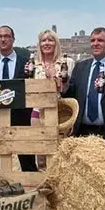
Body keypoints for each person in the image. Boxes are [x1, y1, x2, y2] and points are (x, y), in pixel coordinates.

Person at [0, 25, 37, 172]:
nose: (3, 39)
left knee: (27, 161)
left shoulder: (26, 62)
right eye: (0, 37)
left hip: (21, 118)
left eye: (6, 36)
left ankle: (31, 190)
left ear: (13, 39)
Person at [63, 27, 105, 153]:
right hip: (82, 131)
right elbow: (71, 95)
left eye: (100, 40)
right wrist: (63, 86)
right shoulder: (80, 67)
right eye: (93, 40)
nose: (95, 44)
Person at [30, 29, 76, 169]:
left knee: (60, 152)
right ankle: (44, 186)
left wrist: (52, 78)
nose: (47, 43)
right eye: (43, 40)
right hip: (38, 111)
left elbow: (69, 89)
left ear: (56, 43)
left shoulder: (67, 62)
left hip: (61, 111)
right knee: (41, 153)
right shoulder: (33, 64)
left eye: (50, 40)